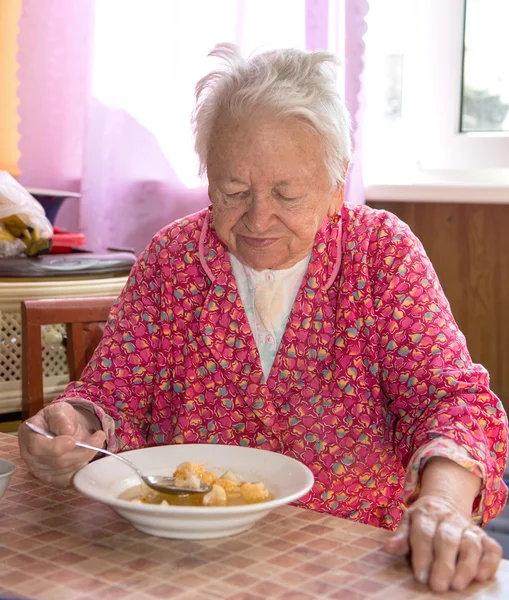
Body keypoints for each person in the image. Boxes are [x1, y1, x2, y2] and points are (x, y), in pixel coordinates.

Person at [19, 44, 507, 593]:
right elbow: (112, 396)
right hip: (184, 558)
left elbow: (450, 400)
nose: (258, 218)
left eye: (286, 193)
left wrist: (442, 504)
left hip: (350, 558)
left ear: (336, 183)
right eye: (233, 191)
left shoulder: (382, 255)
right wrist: (76, 426)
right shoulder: (172, 257)